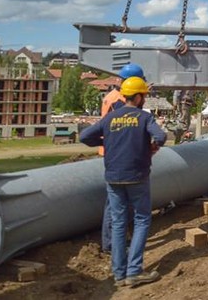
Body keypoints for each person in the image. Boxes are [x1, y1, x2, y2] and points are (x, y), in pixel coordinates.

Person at [80, 76, 166, 288]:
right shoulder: (144, 118)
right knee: (142, 220)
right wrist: (152, 146)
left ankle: (119, 274)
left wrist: (106, 140)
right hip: (137, 177)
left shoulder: (111, 118)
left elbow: (84, 136)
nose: (144, 99)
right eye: (143, 95)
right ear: (137, 97)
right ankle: (134, 271)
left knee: (118, 223)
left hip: (113, 177)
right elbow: (161, 136)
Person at [99, 63, 147, 253]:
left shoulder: (114, 96)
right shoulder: (119, 101)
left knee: (119, 201)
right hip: (118, 154)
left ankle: (118, 240)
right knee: (115, 204)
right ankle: (111, 244)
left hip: (112, 151)